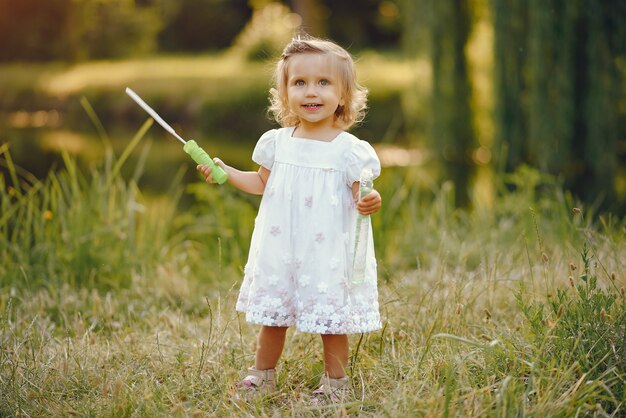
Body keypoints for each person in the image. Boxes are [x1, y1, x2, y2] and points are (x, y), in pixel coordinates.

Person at [197, 34, 383, 402]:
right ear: (284, 92)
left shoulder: (349, 151)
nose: (311, 92)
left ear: (343, 95)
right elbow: (261, 183)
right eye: (300, 83)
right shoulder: (277, 143)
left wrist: (370, 200)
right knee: (274, 317)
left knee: (332, 322)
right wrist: (226, 172)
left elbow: (360, 194)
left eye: (323, 83)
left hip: (326, 251)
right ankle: (262, 375)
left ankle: (335, 386)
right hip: (282, 247)